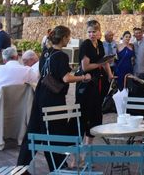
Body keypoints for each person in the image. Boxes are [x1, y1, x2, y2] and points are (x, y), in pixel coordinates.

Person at [17, 26, 91, 169]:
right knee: (54, 132)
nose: (69, 39)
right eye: (68, 37)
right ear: (63, 38)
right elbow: (66, 78)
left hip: (40, 94)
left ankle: (21, 166)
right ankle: (58, 166)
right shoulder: (62, 56)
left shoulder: (45, 52)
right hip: (53, 98)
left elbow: (41, 73)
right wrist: (83, 77)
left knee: (34, 129)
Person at [0, 46, 37, 128]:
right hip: (16, 108)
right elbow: (37, 81)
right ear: (17, 57)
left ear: (4, 60)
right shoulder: (27, 71)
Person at [77, 20, 113, 145]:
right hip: (87, 83)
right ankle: (77, 151)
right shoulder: (86, 45)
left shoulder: (100, 44)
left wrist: (110, 74)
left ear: (99, 32)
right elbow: (85, 67)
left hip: (99, 82)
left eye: (94, 31)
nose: (91, 34)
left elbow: (104, 61)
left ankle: (88, 147)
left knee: (96, 114)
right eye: (89, 32)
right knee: (85, 114)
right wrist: (100, 64)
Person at [101, 30, 117, 96]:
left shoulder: (115, 43)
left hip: (113, 65)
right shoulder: (102, 44)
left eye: (112, 35)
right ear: (105, 37)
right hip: (105, 67)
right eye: (110, 35)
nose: (111, 37)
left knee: (113, 82)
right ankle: (104, 95)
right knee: (105, 82)